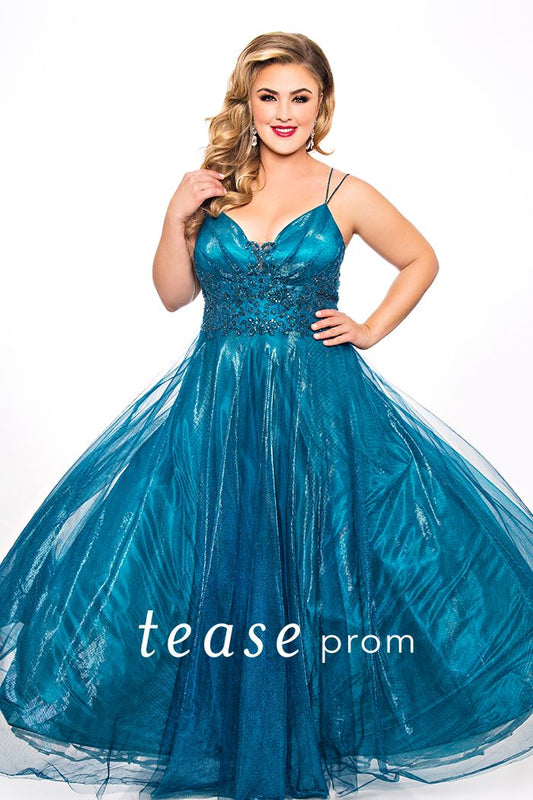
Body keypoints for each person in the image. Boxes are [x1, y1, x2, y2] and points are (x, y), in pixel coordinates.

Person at [0, 30, 532, 800]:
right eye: (268, 96)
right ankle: (225, 733)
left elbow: (420, 258)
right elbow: (173, 295)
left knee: (324, 553)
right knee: (208, 553)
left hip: (318, 400)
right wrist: (175, 213)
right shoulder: (212, 187)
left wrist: (370, 327)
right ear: (246, 104)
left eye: (300, 97)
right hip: (217, 401)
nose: (284, 112)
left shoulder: (344, 192)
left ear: (322, 106)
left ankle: (314, 732)